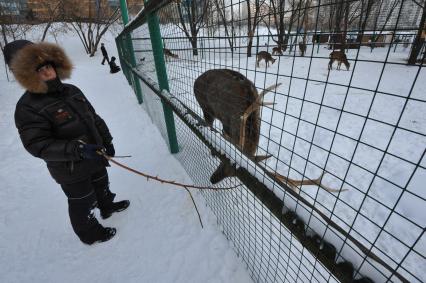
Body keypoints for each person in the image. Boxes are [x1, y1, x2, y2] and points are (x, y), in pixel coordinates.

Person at [4, 40, 130, 245]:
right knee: (83, 200)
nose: (46, 72)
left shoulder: (72, 90)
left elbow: (93, 117)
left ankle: (107, 206)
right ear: (28, 76)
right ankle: (89, 233)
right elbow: (38, 145)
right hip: (69, 167)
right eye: (39, 70)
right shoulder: (27, 108)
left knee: (101, 183)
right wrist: (78, 149)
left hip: (95, 153)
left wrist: (107, 140)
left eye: (47, 66)